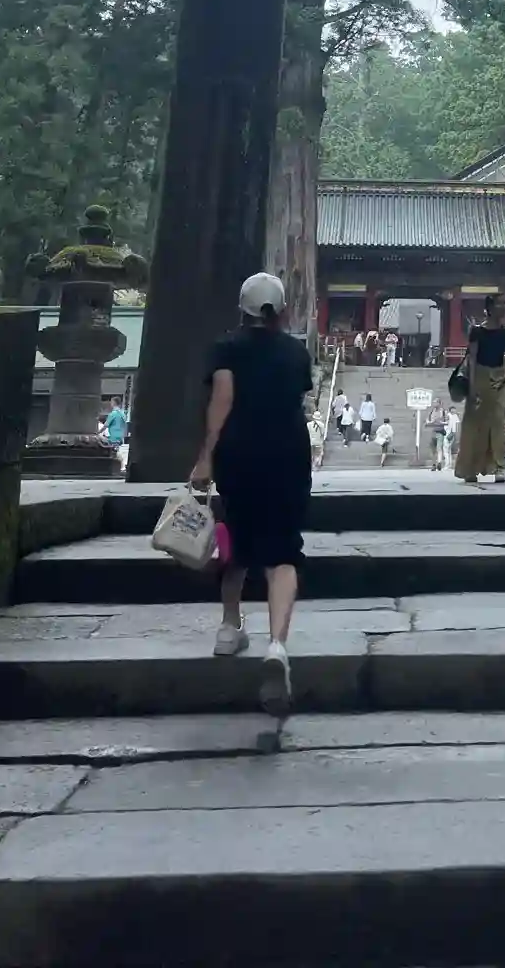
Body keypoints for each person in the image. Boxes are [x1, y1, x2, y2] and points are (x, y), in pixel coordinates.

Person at [190, 272, 311, 718]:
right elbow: (297, 399)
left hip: (238, 452)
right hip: (288, 454)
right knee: (284, 551)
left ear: (241, 309)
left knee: (235, 538)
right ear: (280, 310)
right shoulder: (296, 351)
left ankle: (229, 626)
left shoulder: (226, 348)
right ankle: (277, 644)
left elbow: (222, 399)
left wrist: (205, 456)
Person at [455, 292, 505, 484]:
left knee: (498, 422)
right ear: (489, 308)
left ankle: (499, 466)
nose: (503, 307)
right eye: (500, 304)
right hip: (479, 376)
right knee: (474, 424)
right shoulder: (477, 332)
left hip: (499, 377)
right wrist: (472, 385)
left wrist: (504, 378)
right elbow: (472, 359)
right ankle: (470, 467)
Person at [426, 399, 447, 470]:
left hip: (440, 431)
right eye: (433, 402)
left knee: (439, 448)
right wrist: (429, 422)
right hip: (432, 432)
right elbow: (427, 420)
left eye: (435, 402)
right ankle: (434, 464)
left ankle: (439, 462)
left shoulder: (443, 412)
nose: (434, 404)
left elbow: (447, 422)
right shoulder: (432, 411)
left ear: (439, 403)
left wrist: (441, 423)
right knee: (432, 449)